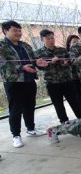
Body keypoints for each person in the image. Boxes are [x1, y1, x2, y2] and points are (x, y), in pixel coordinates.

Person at [0, 20, 46, 148]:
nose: (18, 33)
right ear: (5, 31)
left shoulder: (25, 46)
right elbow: (2, 64)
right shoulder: (2, 46)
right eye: (15, 30)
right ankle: (16, 135)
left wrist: (39, 63)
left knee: (30, 106)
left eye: (20, 30)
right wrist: (21, 67)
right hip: (14, 82)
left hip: (29, 80)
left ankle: (31, 129)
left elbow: (34, 59)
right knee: (15, 109)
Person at [35, 29, 81, 123]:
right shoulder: (38, 53)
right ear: (42, 39)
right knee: (58, 104)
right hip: (52, 83)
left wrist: (65, 63)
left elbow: (70, 62)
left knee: (74, 101)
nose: (51, 40)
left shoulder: (62, 50)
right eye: (48, 38)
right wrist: (49, 64)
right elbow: (39, 67)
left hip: (66, 80)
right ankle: (64, 121)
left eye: (52, 38)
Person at [66, 34, 81, 115]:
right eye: (73, 42)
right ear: (69, 43)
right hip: (74, 78)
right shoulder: (66, 53)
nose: (75, 43)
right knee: (77, 97)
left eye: (77, 41)